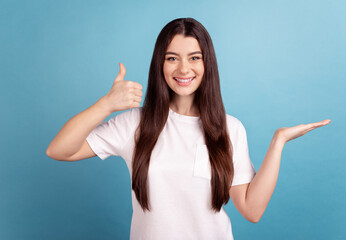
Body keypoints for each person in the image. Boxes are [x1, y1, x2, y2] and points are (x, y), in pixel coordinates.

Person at [46, 18, 331, 239]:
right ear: (160, 64)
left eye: (194, 57)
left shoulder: (230, 129)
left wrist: (278, 142)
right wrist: (105, 105)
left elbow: (251, 210)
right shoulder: (135, 123)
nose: (184, 69)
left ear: (207, 63)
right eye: (172, 58)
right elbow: (59, 150)